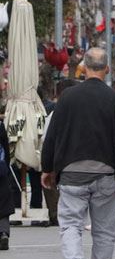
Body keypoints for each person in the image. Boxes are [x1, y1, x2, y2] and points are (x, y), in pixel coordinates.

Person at [41, 48, 115, 259]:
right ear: (107, 69)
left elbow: (52, 135)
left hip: (71, 173)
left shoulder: (67, 98)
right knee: (104, 231)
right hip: (105, 174)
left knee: (71, 224)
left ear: (84, 67)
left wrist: (47, 167)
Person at [41, 79, 78, 226]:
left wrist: (46, 168)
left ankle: (57, 214)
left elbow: (46, 141)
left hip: (61, 163)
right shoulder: (82, 114)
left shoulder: (54, 115)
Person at [1, 119, 13, 250]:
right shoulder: (0, 125)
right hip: (1, 170)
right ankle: (3, 233)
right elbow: (5, 148)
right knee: (3, 204)